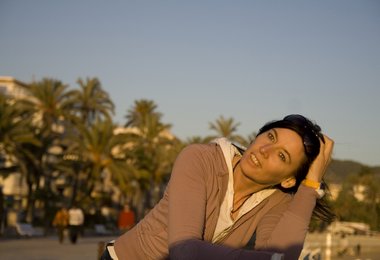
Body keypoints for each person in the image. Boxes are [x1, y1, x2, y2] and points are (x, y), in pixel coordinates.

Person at [101, 114, 335, 260]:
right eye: (270, 137)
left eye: (282, 156)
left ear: (287, 181)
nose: (265, 150)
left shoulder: (277, 199)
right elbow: (184, 251)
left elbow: (282, 253)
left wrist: (310, 186)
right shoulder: (200, 159)